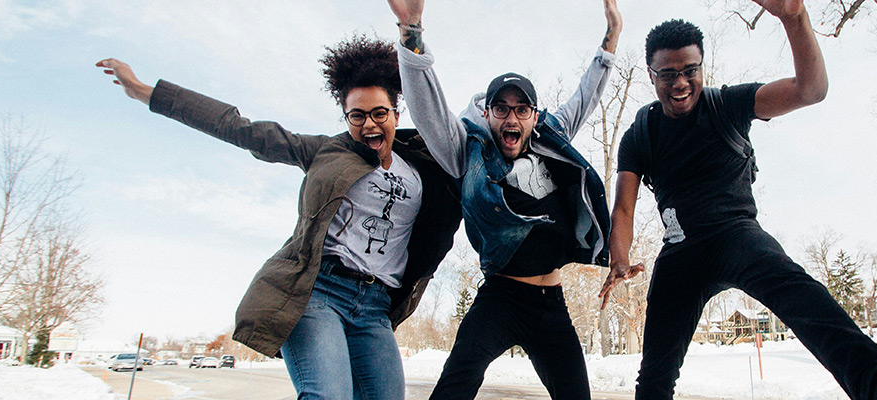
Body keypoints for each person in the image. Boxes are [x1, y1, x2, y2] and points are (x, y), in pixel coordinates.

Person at [599, 1, 877, 399]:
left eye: (690, 70)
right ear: (652, 76)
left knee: (798, 291)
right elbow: (624, 207)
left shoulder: (727, 105)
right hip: (681, 250)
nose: (681, 83)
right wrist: (619, 256)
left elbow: (811, 90)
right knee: (655, 373)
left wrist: (794, 17)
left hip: (736, 235)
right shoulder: (641, 133)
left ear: (702, 67)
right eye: (668, 74)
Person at [95, 35, 462, 400]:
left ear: (396, 114)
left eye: (379, 113)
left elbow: (474, 154)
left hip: (376, 306)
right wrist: (146, 92)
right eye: (357, 115)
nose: (369, 124)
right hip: (316, 294)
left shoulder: (425, 166)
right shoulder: (325, 151)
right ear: (346, 118)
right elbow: (237, 126)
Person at [387, 0, 621, 398]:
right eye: (501, 109)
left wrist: (611, 38)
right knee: (457, 380)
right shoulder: (468, 150)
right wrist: (412, 34)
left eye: (521, 110)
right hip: (501, 297)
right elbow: (430, 111)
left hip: (552, 303)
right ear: (488, 114)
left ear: (533, 115)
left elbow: (586, 96)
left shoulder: (552, 136)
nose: (511, 119)